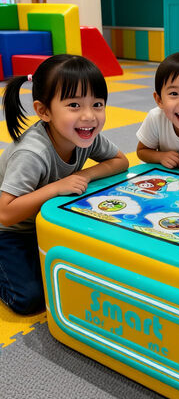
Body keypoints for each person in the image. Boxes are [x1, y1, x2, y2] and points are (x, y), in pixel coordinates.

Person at [0, 54, 129, 315]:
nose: (89, 116)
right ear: (43, 111)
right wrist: (57, 187)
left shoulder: (85, 135)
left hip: (45, 222)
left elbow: (120, 161)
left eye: (97, 104)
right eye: (74, 105)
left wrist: (85, 175)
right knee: (31, 298)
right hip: (10, 232)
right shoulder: (32, 153)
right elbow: (5, 213)